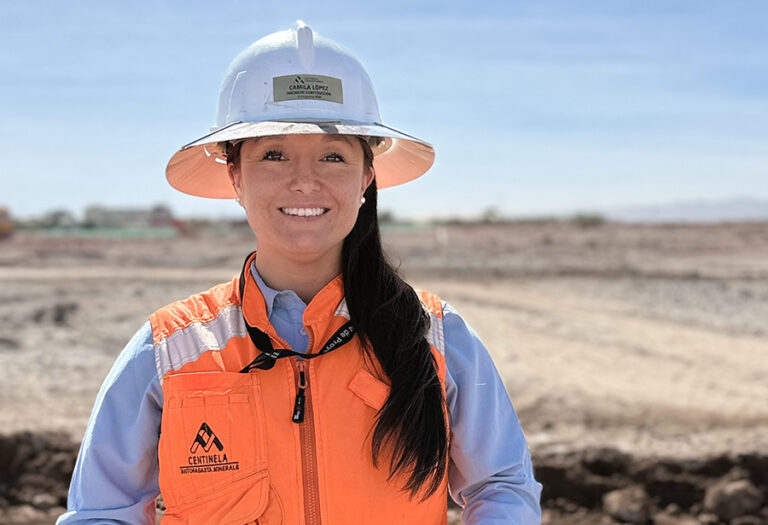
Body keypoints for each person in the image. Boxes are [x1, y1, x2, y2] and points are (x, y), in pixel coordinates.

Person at [57, 21, 541, 525]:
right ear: (235, 176)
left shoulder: (436, 336)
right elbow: (101, 512)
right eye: (274, 154)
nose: (305, 182)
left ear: (366, 177)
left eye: (333, 156)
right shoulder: (169, 349)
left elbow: (502, 485)